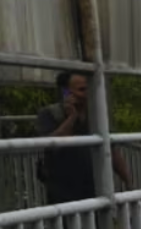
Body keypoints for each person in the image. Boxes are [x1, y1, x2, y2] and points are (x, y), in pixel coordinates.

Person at [33, 70, 130, 204]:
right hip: (63, 194)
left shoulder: (97, 115)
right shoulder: (50, 114)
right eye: (82, 89)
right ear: (66, 92)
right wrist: (71, 118)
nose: (88, 94)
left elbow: (112, 150)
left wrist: (128, 181)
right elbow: (50, 145)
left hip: (97, 191)